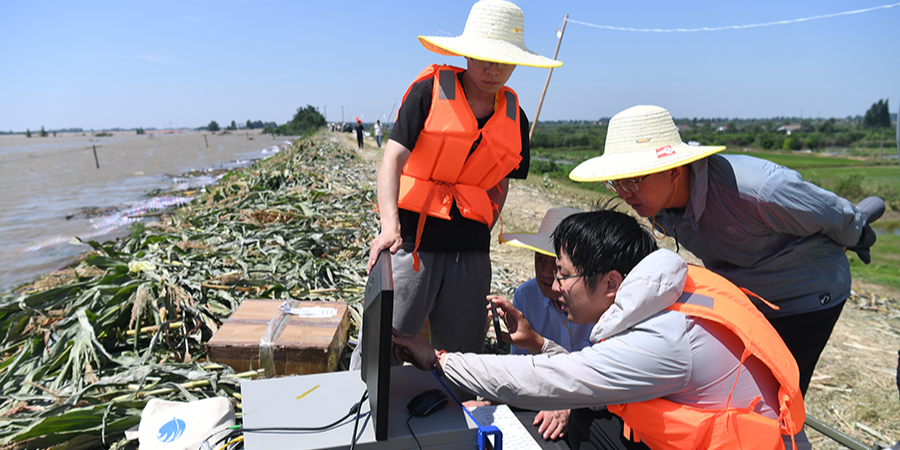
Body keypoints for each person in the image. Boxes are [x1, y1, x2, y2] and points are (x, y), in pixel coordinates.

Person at [392, 210, 809, 450]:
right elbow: (585, 370)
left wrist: (438, 358)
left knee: (577, 426)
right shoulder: (668, 290)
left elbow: (556, 381)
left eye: (564, 275)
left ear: (610, 283)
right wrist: (538, 344)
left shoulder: (665, 337)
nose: (555, 287)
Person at [568, 105, 885, 397]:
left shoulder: (758, 189)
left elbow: (831, 213)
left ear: (674, 170)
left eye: (634, 180)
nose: (625, 194)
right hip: (745, 295)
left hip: (805, 296)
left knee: (777, 394)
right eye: (616, 183)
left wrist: (859, 234)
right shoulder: (656, 200)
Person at [362, 0, 560, 376]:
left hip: (470, 251)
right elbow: (392, 160)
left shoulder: (515, 115)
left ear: (516, 62)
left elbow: (501, 183)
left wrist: (484, 223)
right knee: (385, 344)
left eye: (503, 60)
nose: (492, 69)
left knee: (462, 354)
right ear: (465, 53)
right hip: (413, 245)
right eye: (484, 57)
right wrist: (390, 227)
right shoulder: (429, 91)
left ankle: (455, 421)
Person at [475, 207, 593, 443]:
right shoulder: (526, 296)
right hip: (541, 401)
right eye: (540, 259)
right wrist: (491, 401)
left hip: (592, 406)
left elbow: (606, 379)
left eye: (557, 264)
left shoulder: (598, 302)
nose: (547, 272)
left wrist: (570, 409)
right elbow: (521, 369)